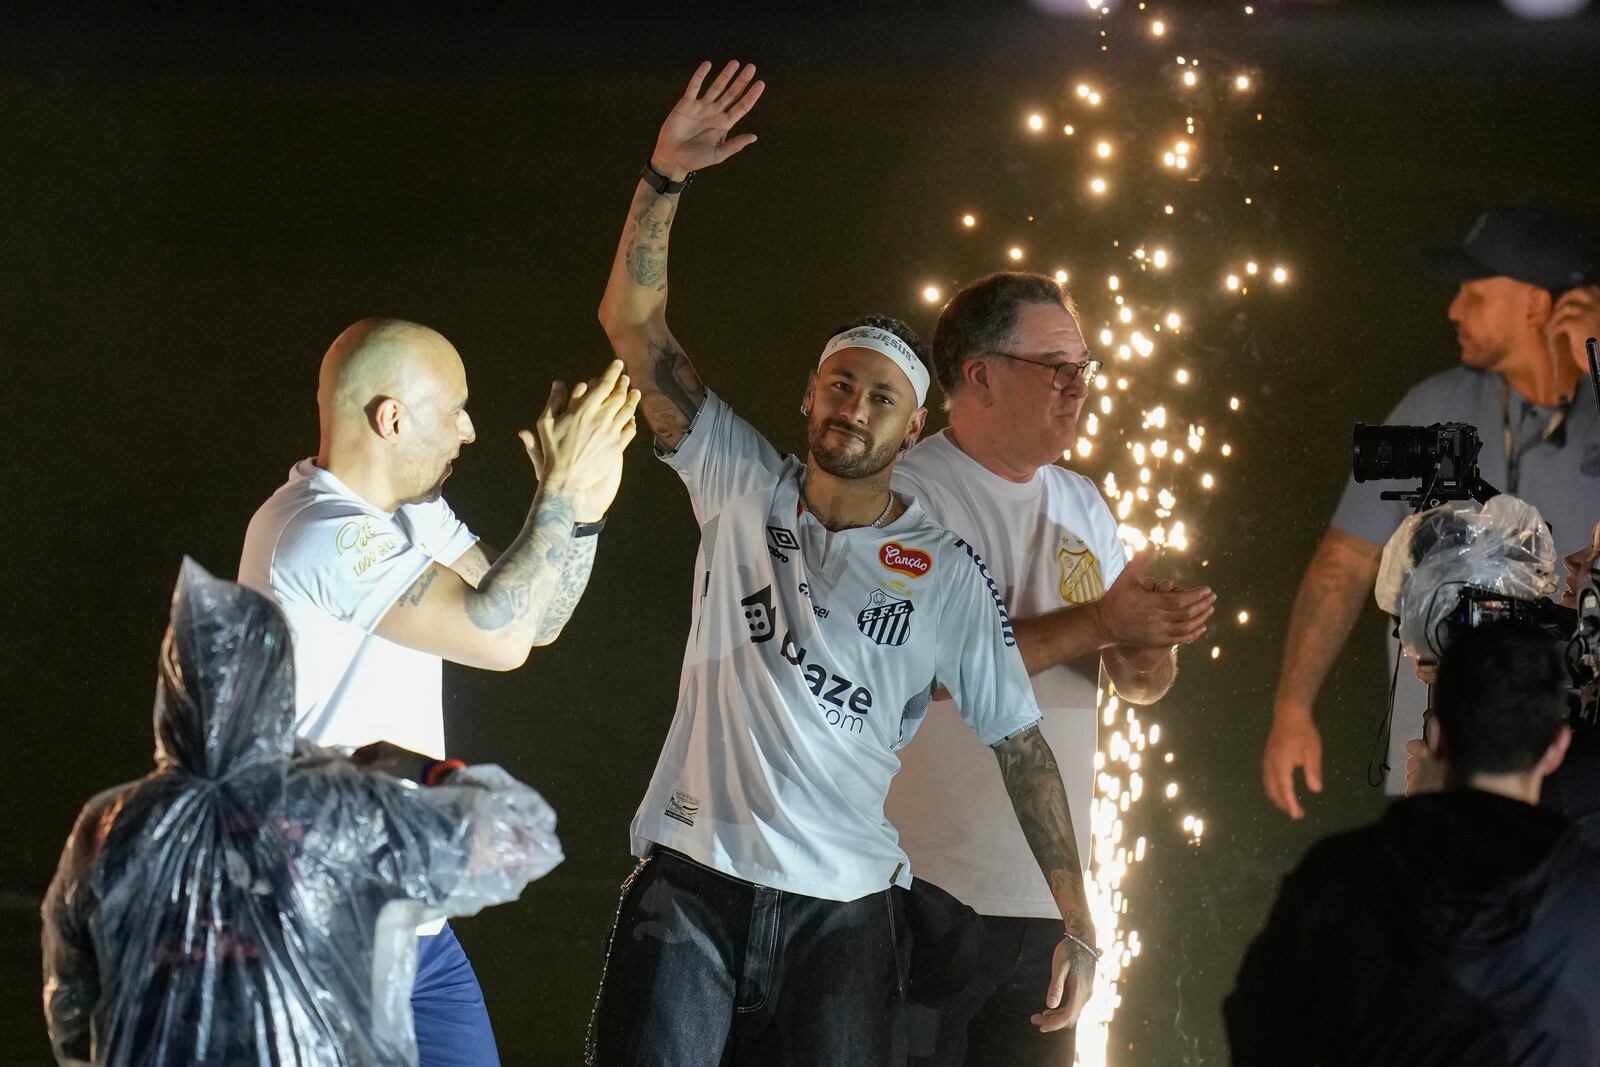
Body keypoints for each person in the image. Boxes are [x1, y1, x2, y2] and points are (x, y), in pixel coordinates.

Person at [585, 62, 1096, 1066]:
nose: (850, 409)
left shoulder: (942, 569)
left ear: (912, 426)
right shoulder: (740, 482)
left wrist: (1077, 918)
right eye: (837, 385)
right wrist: (663, 178)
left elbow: (1021, 747)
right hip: (691, 881)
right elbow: (631, 327)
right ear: (806, 396)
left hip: (844, 908)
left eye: (876, 398)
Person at [238, 318, 639, 1065]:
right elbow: (499, 636)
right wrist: (554, 489)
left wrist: (581, 511)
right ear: (391, 418)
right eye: (452, 407)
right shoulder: (316, 528)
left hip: (410, 921)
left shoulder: (411, 514)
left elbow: (533, 616)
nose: (469, 428)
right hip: (319, 925)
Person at [42, 559, 564, 1067]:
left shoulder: (110, 825)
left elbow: (71, 1000)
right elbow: (519, 837)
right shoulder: (333, 811)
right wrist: (411, 766)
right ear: (277, 685)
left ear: (175, 691)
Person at [882, 271, 1215, 1066]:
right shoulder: (907, 493)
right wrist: (1100, 621)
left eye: (1084, 370)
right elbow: (914, 669)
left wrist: (1146, 646)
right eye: (1055, 369)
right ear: (980, 374)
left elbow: (1135, 686)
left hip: (1045, 899)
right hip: (914, 888)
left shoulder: (1083, 501)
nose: (1077, 390)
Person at [1263, 209, 1600, 818]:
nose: (1454, 310)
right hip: (1437, 765)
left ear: (1536, 306)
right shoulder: (1435, 404)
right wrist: (1292, 707)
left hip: (1579, 775)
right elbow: (1345, 561)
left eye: (1475, 293)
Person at [1227, 620, 1600, 1066]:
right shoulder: (1587, 897)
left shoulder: (1335, 877)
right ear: (1557, 747)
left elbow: (1258, 1029)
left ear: (1437, 734)